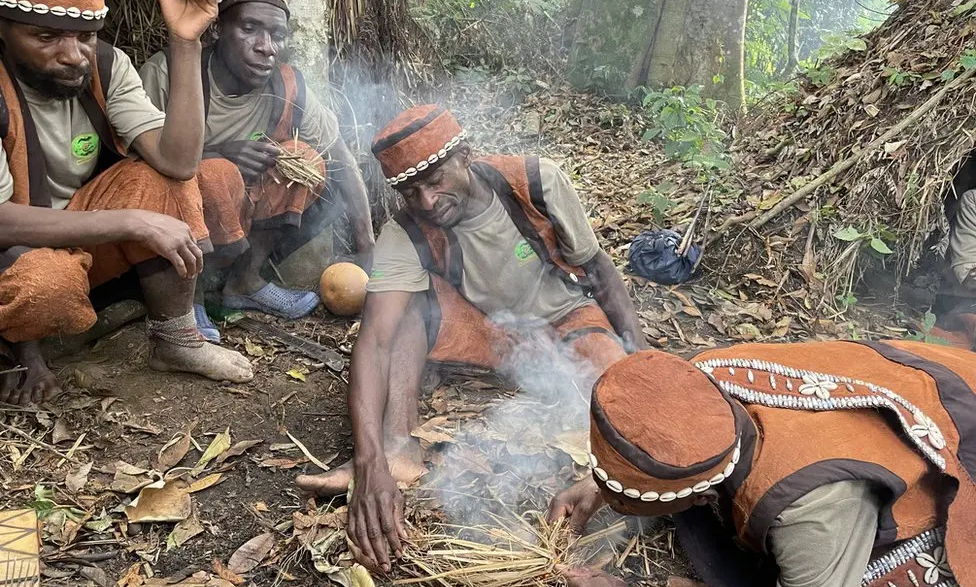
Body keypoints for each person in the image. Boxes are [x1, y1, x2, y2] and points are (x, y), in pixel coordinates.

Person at [294, 105, 647, 572]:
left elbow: (599, 270)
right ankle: (398, 448)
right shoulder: (405, 230)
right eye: (410, 191)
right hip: (487, 329)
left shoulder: (535, 182)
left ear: (465, 155)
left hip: (567, 318)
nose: (426, 201)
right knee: (403, 309)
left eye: (435, 179)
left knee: (625, 389)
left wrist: (641, 358)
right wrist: (369, 460)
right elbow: (374, 341)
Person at [546, 341, 976, 587]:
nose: (615, 502)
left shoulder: (810, 512)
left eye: (625, 502)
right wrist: (604, 479)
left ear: (699, 496)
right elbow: (651, 426)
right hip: (920, 380)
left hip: (960, 436)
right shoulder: (694, 380)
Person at [0, 0, 255, 406]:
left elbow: (179, 162)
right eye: (46, 37)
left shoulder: (105, 65)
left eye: (85, 37)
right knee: (45, 285)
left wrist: (185, 44)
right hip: (12, 246)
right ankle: (21, 350)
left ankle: (175, 339)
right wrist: (132, 221)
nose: (73, 56)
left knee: (173, 179)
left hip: (74, 227)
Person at [139, 0, 374, 342]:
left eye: (277, 35)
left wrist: (367, 243)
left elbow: (341, 157)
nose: (266, 47)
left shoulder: (288, 86)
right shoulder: (168, 73)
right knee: (216, 173)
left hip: (244, 212)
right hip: (179, 214)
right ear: (217, 29)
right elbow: (134, 165)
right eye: (249, 30)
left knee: (302, 159)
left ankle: (245, 280)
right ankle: (190, 298)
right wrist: (218, 153)